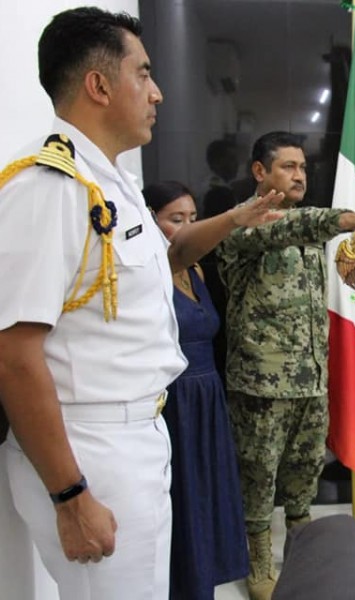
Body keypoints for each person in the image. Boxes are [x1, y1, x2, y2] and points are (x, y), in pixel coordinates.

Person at [0, 8, 281, 599]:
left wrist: (236, 217)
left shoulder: (113, 182)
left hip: (135, 433)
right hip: (91, 449)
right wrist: (71, 495)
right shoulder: (49, 187)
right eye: (143, 74)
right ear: (98, 85)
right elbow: (13, 354)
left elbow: (167, 260)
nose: (157, 93)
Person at [217, 131, 355, 599]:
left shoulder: (308, 228)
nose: (299, 176)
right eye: (287, 167)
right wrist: (340, 219)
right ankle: (256, 561)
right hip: (262, 381)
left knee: (304, 470)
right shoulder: (241, 225)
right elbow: (281, 229)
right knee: (257, 474)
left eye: (302, 168)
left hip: (311, 377)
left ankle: (300, 549)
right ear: (260, 172)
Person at [142, 181, 250, 600]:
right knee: (181, 501)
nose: (187, 227)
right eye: (175, 219)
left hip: (208, 398)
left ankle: (202, 583)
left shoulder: (198, 269)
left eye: (192, 218)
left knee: (207, 496)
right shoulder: (150, 274)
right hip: (174, 401)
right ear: (151, 220)